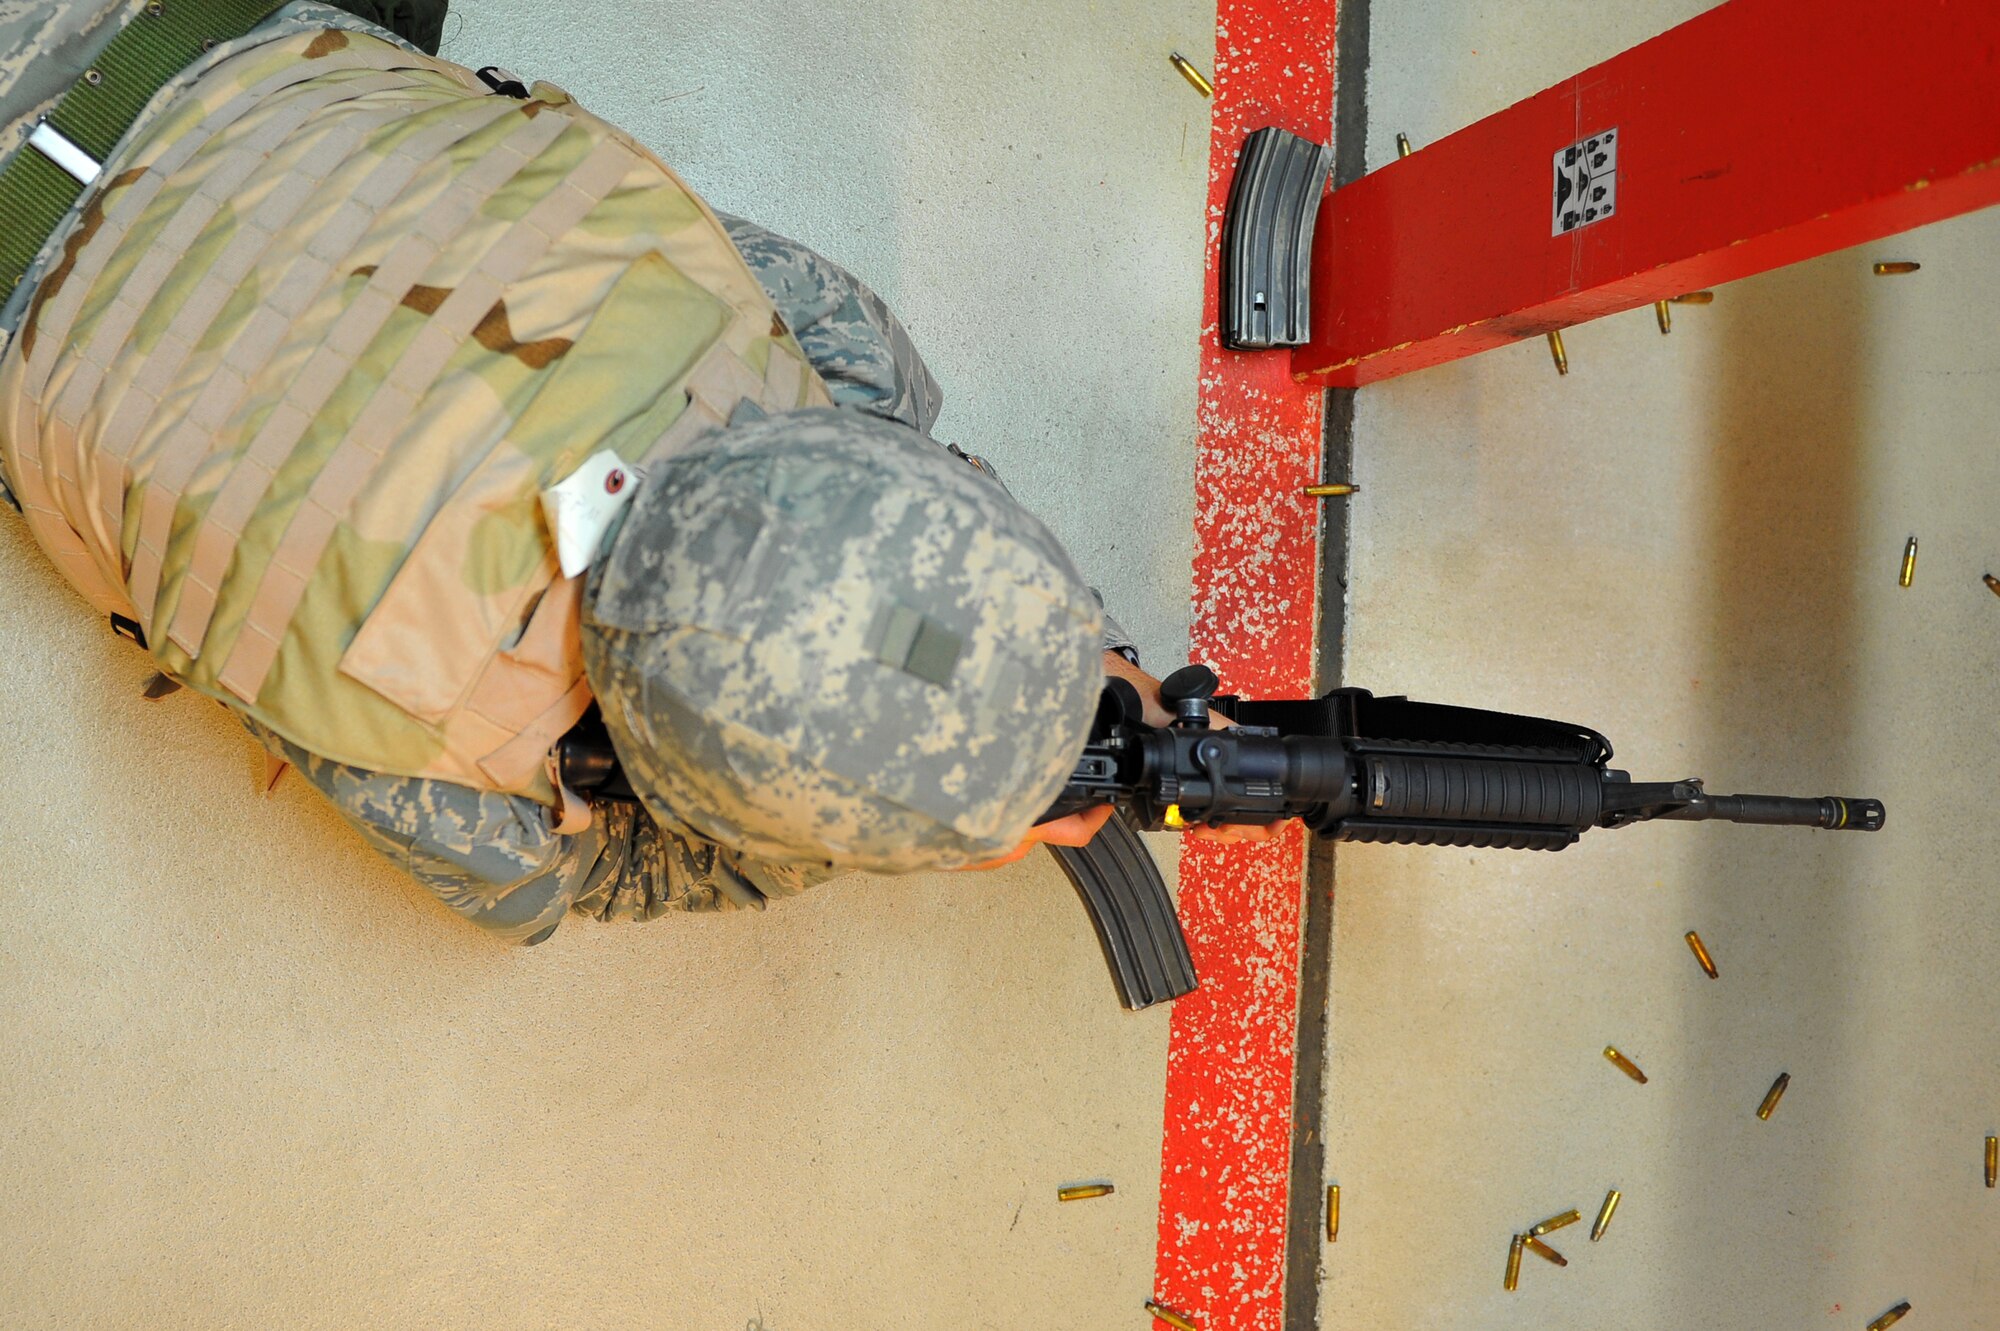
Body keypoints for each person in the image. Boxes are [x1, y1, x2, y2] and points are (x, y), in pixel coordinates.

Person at [0, 0, 1273, 947]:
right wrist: (862, 828)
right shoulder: (469, 771)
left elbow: (905, 503)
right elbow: (568, 885)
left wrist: (1056, 657)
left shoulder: (832, 353)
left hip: (184, 31)